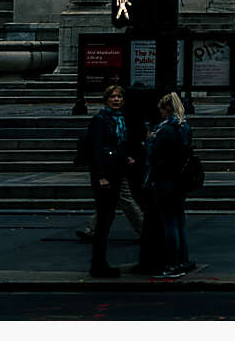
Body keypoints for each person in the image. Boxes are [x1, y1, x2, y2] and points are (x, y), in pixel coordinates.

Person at [82, 84, 144, 278]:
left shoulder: (120, 120)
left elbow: (118, 146)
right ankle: (98, 264)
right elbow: (95, 150)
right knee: (104, 219)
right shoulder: (100, 120)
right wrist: (100, 176)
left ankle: (100, 263)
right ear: (106, 99)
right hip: (105, 174)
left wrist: (126, 157)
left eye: (119, 96)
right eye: (112, 97)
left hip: (117, 171)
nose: (116, 99)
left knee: (107, 219)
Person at [144, 91, 196, 277]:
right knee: (179, 221)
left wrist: (149, 141)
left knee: (169, 222)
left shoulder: (165, 130)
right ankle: (182, 260)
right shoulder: (184, 127)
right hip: (181, 179)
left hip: (165, 179)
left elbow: (154, 154)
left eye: (162, 110)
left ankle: (172, 264)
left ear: (166, 109)